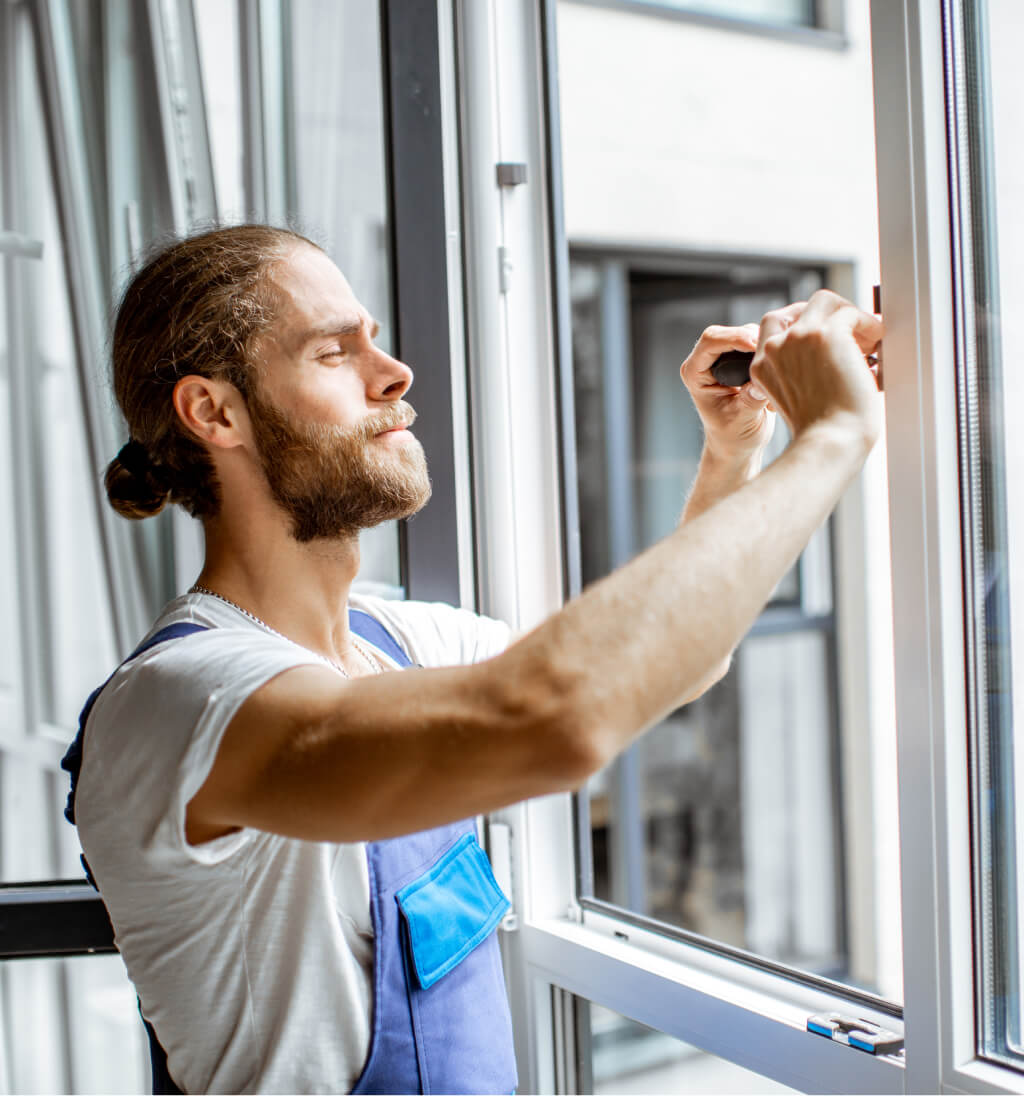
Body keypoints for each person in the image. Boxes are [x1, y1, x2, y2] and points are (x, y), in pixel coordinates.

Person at [64, 225, 883, 1095]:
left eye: (375, 339)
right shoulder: (179, 701)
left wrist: (733, 450)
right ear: (214, 412)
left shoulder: (398, 643)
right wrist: (830, 439)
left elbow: (676, 663)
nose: (394, 374)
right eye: (336, 351)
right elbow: (558, 718)